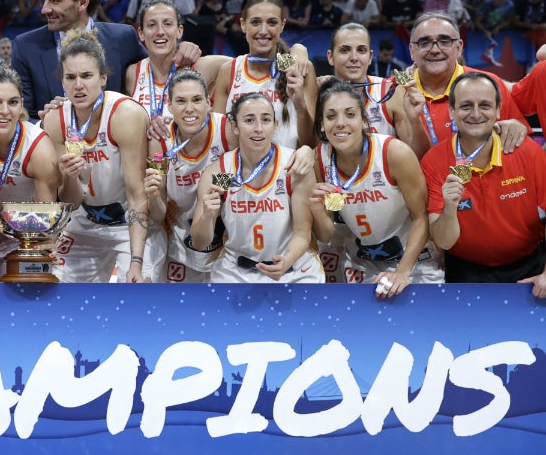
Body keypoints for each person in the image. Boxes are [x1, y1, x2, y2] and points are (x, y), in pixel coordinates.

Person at [42, 31, 158, 283]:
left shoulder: (125, 114)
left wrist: (136, 263)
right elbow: (70, 202)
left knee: (140, 289)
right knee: (55, 285)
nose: (78, 85)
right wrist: (71, 178)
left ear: (103, 78)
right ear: (62, 81)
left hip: (129, 222)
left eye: (86, 76)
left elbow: (137, 195)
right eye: (70, 77)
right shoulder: (54, 120)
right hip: (84, 222)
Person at [309, 80, 441, 297]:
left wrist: (402, 273)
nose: (340, 123)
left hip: (415, 262)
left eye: (350, 114)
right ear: (321, 124)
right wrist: (316, 209)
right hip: (364, 265)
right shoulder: (321, 160)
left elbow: (421, 217)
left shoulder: (394, 153)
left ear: (363, 120)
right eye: (331, 116)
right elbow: (327, 234)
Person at [422, 72, 546, 292]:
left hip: (530, 267)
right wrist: (449, 207)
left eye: (485, 105)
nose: (476, 114)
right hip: (466, 272)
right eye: (466, 106)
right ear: (452, 111)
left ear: (499, 110)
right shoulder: (434, 161)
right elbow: (444, 242)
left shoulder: (528, 153)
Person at [191, 92, 324, 283]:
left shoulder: (292, 166)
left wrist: (286, 261)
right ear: (234, 126)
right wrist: (207, 216)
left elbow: (303, 232)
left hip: (294, 269)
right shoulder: (222, 173)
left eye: (266, 120)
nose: (259, 128)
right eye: (249, 120)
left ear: (276, 125)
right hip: (235, 272)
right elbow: (199, 242)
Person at [0, 66, 75, 281]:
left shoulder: (37, 148)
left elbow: (46, 215)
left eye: (12, 102)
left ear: (21, 105)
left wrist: (48, 241)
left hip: (19, 245)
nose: (4, 110)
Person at [12, 0, 147, 120]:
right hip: (55, 143)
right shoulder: (25, 46)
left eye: (55, 1)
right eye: (45, 0)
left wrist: (181, 51)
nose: (45, 9)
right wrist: (47, 124)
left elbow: (158, 75)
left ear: (82, 2)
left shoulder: (123, 37)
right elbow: (21, 115)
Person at [391, 12, 528, 158]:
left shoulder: (489, 84)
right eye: (424, 43)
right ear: (412, 50)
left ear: (458, 48)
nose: (435, 50)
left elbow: (522, 146)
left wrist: (516, 128)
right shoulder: (392, 91)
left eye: (444, 41)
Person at [151, 69, 236, 283]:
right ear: (169, 106)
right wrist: (153, 197)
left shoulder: (228, 130)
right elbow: (158, 215)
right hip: (179, 246)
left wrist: (298, 52)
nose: (189, 109)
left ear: (209, 102)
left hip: (228, 247)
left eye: (197, 100)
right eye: (180, 101)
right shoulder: (159, 142)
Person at [213, 0, 317, 149]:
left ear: (282, 25)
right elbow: (217, 141)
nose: (263, 30)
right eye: (255, 22)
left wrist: (300, 106)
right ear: (243, 24)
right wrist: (221, 175)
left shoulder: (299, 67)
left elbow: (310, 144)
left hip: (286, 171)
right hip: (239, 172)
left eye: (272, 23)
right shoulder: (229, 70)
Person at [126, 0, 228, 123]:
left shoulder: (201, 67)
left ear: (179, 31)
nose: (160, 31)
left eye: (167, 24)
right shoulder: (132, 73)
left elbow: (248, 63)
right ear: (141, 33)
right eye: (152, 25)